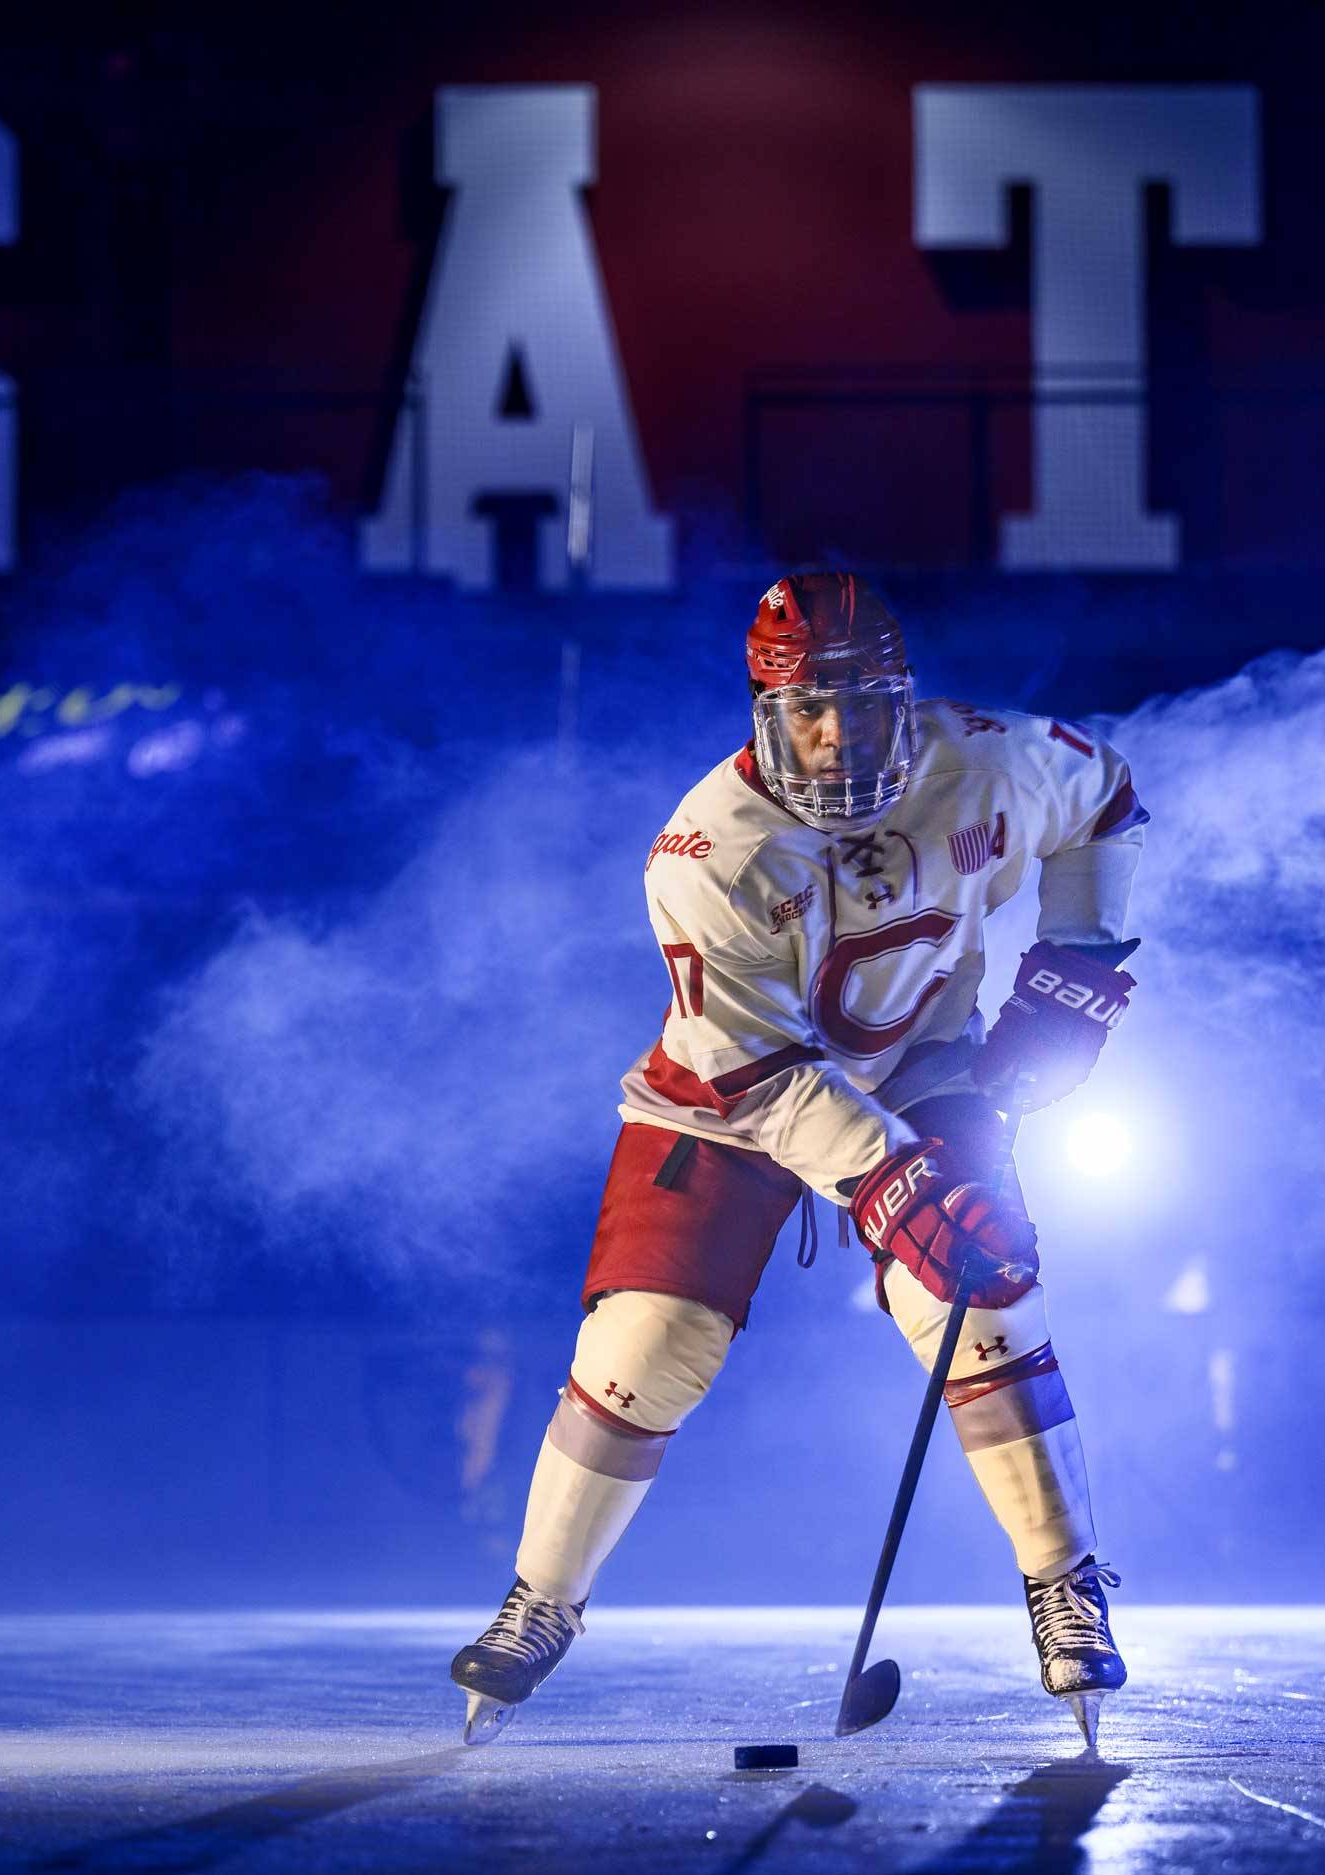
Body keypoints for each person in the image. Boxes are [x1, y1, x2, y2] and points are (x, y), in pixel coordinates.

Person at [451, 571, 1148, 1748]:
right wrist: (898, 1181)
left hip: (923, 1062)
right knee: (646, 1346)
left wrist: (1074, 967)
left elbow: (1105, 798)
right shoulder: (705, 852)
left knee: (983, 1302)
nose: (837, 738)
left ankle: (1063, 1584)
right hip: (732, 1100)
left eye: (862, 707)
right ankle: (542, 1600)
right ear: (764, 714)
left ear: (904, 703)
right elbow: (766, 1078)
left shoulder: (991, 762)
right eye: (810, 711)